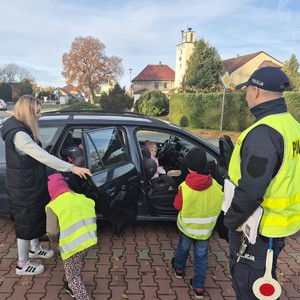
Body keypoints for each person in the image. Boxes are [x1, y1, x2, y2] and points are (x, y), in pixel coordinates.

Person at [223, 67, 300, 299]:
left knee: (249, 289)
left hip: (256, 229)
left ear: (255, 91)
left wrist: (231, 221)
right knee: (264, 281)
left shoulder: (263, 132)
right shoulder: (292, 126)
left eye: (246, 90)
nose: (246, 96)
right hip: (279, 226)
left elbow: (252, 189)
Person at [1, 95, 92, 276]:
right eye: (38, 111)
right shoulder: (19, 135)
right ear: (28, 111)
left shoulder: (22, 128)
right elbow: (43, 156)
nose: (40, 115)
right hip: (23, 186)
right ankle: (22, 264)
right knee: (25, 223)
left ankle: (34, 248)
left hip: (31, 182)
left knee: (35, 216)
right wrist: (72, 168)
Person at [171, 147, 223, 299]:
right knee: (201, 257)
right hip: (205, 230)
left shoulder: (184, 187)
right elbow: (221, 203)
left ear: (187, 167)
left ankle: (179, 270)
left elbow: (177, 206)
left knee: (182, 249)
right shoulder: (216, 186)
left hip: (187, 228)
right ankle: (198, 287)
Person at [46, 173, 97, 300]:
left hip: (72, 245)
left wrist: (55, 240)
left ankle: (81, 295)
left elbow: (52, 232)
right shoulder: (81, 198)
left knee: (73, 277)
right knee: (76, 262)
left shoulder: (53, 205)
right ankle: (71, 286)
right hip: (88, 239)